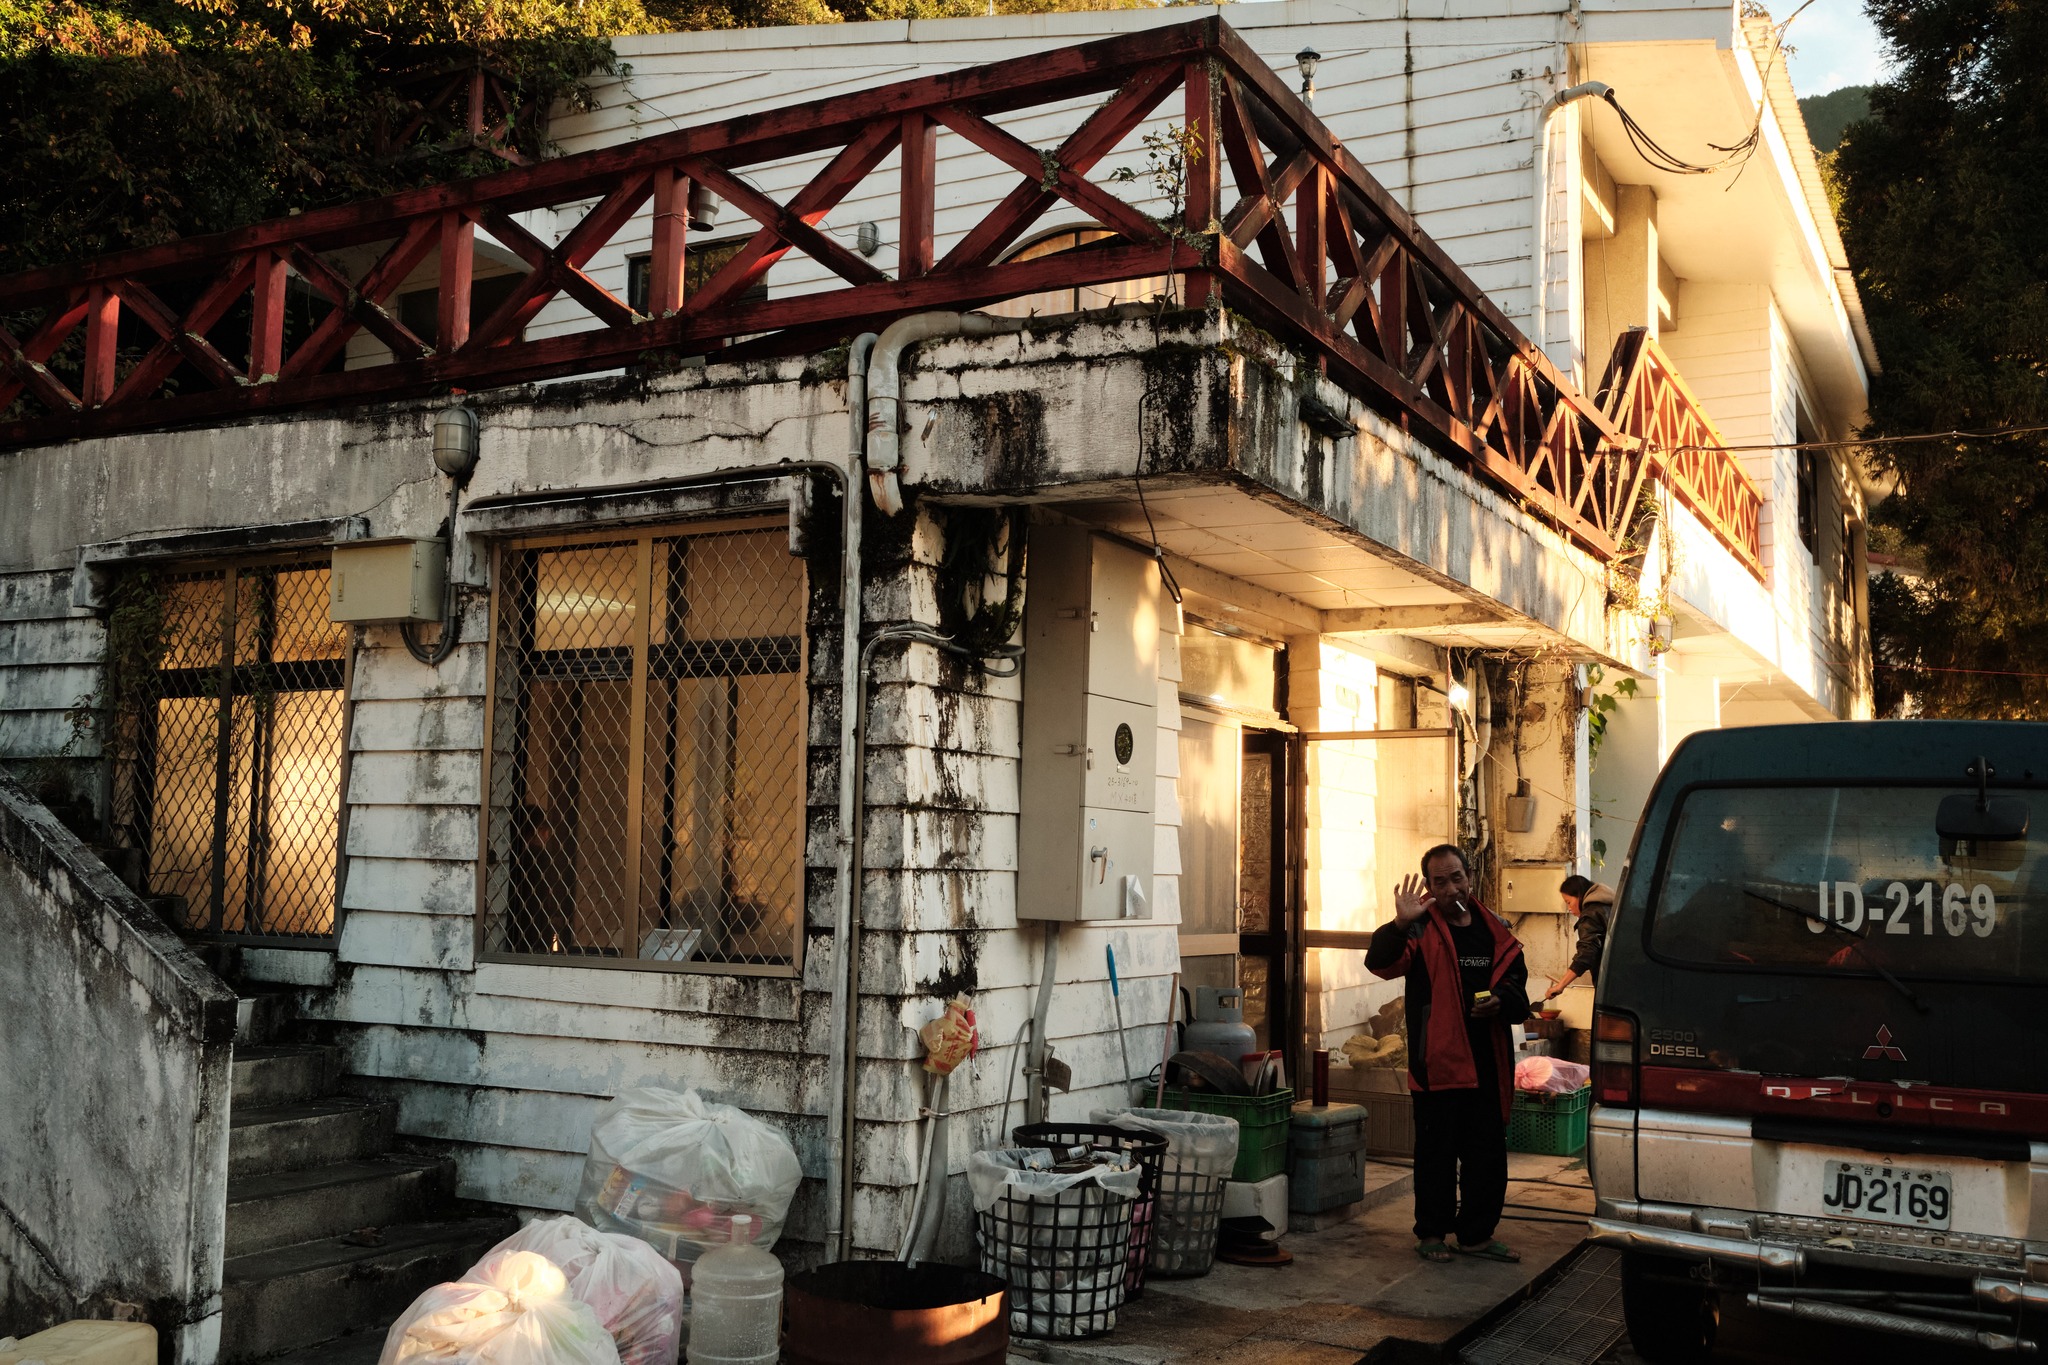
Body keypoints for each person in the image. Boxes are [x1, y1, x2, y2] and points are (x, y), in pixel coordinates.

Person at [1365, 843, 1530, 1264]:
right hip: (1437, 1063)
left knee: (1487, 1156)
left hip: (1487, 1062)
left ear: (1469, 876)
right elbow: (1380, 963)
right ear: (1430, 887)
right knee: (1436, 1155)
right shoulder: (1419, 927)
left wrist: (1500, 1001)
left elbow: (1517, 987)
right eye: (1439, 881)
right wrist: (1399, 923)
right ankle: (1433, 1234)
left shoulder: (1495, 927)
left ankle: (1475, 1235)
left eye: (1456, 876)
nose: (1450, 886)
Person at [1542, 875, 1614, 1002]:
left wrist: (1560, 985)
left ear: (1580, 896)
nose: (1569, 908)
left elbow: (1587, 953)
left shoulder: (1590, 916)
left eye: (1569, 902)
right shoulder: (1609, 907)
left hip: (1612, 986)